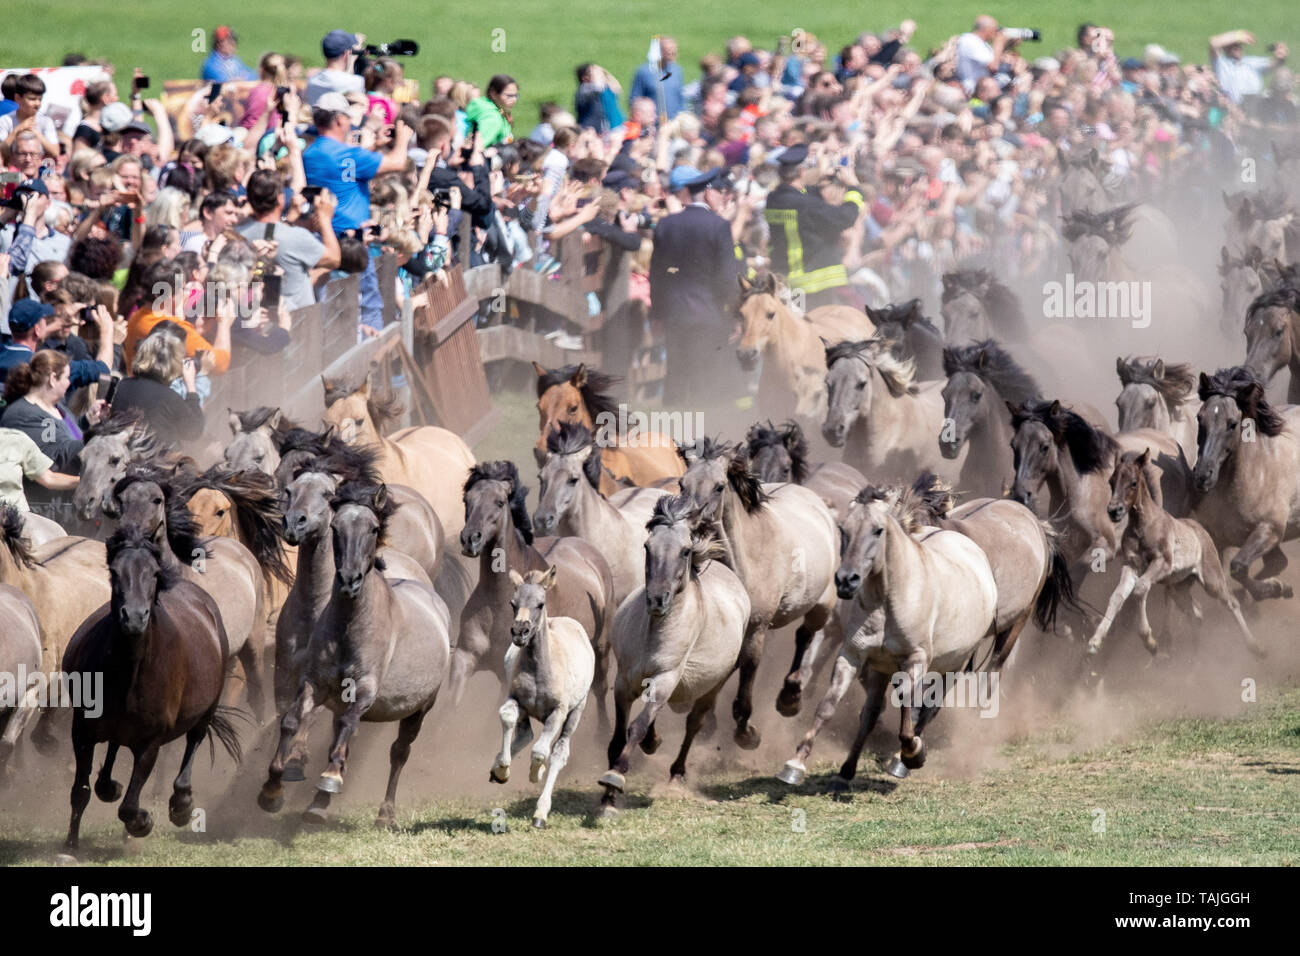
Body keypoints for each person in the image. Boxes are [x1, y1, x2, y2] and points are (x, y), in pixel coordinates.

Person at [649, 167, 742, 407]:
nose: (723, 197)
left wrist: (657, 313)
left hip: (674, 313)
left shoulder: (666, 224)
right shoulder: (718, 226)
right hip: (708, 314)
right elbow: (726, 277)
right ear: (709, 194)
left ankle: (673, 434)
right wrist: (734, 314)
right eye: (720, 192)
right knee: (705, 377)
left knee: (676, 374)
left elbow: (657, 274)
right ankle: (706, 432)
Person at [762, 144, 864, 310]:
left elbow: (800, 198)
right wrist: (854, 188)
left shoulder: (773, 199)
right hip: (816, 285)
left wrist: (824, 178)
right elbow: (846, 217)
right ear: (802, 172)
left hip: (789, 283)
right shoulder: (806, 205)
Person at [302, 92, 411, 233]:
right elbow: (398, 163)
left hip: (322, 231)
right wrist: (403, 137)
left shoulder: (310, 152)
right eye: (348, 118)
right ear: (340, 120)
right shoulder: (348, 155)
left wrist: (374, 145)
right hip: (350, 236)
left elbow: (348, 173)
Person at [238, 169, 341, 311]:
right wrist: (324, 219)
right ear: (281, 199)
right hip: (295, 321)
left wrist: (290, 219)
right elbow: (334, 259)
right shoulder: (297, 236)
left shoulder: (237, 234)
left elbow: (271, 231)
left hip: (252, 315)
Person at [124, 257, 233, 374]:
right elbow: (220, 363)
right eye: (182, 289)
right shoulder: (173, 330)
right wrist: (224, 324)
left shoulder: (136, 317)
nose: (185, 293)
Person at [110, 329, 204, 447]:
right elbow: (194, 431)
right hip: (154, 462)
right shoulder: (170, 398)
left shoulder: (121, 386)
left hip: (119, 459)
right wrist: (190, 385)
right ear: (175, 363)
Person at [0, 426, 78, 512]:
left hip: (16, 516)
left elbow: (49, 478)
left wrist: (87, 482)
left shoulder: (15, 439)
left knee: (50, 525)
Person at [1210, 30, 1285, 105]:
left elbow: (1274, 64)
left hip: (1257, 107)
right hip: (1235, 108)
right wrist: (1238, 35)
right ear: (1225, 49)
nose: (1236, 48)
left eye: (1238, 45)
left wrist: (1280, 56)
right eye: (1232, 46)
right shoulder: (1222, 64)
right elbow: (1213, 43)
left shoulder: (1251, 61)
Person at [0, 299, 56, 386]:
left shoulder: (2, 355)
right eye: (45, 320)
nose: (47, 324)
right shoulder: (38, 367)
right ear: (37, 330)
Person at [305, 29, 366, 105]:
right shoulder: (357, 82)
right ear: (346, 54)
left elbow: (339, 78)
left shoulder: (312, 81)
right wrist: (352, 60)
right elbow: (345, 81)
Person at [629, 36, 684, 119]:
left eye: (673, 48)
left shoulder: (677, 70)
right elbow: (635, 99)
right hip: (652, 123)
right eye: (668, 49)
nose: (672, 52)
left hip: (673, 123)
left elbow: (680, 97)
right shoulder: (644, 72)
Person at [956, 15, 1010, 95]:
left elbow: (997, 59)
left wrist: (1008, 45)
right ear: (986, 29)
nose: (996, 32)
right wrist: (999, 42)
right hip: (974, 90)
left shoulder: (981, 43)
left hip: (984, 87)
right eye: (995, 29)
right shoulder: (970, 41)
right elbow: (993, 66)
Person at [464, 75, 518, 147]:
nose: (514, 100)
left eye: (516, 95)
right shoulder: (492, 117)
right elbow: (477, 147)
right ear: (494, 93)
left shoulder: (485, 107)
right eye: (509, 96)